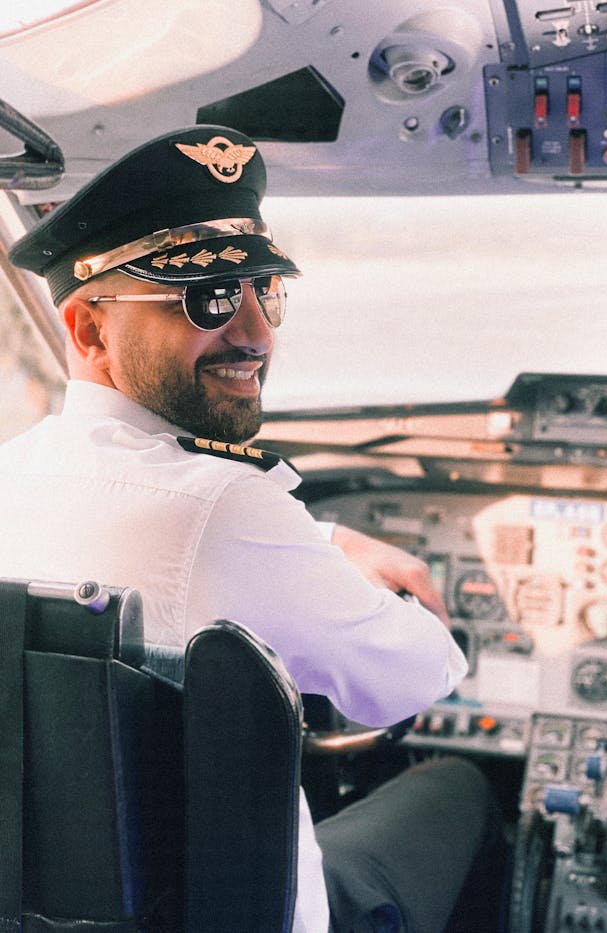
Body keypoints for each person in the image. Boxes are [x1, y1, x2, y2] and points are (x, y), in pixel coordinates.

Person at [0, 126, 503, 932]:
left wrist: (328, 541)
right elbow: (415, 675)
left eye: (264, 291)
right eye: (205, 298)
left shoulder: (11, 476)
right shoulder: (223, 504)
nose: (257, 335)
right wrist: (376, 583)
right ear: (89, 330)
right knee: (460, 787)